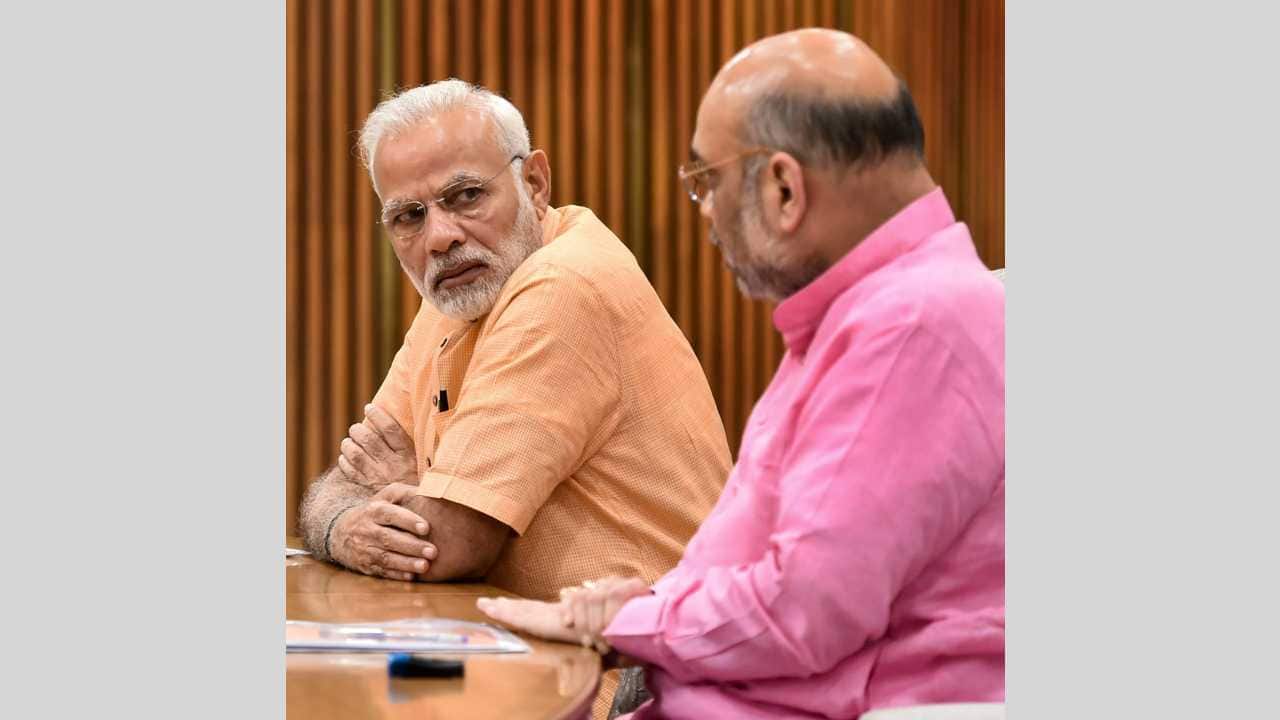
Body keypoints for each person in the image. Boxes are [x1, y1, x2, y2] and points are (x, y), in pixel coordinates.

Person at [478, 28, 1005, 719]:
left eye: (707, 182)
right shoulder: (875, 312)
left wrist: (624, 623)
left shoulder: (912, 324)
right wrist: (648, 606)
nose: (706, 215)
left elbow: (803, 610)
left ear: (785, 188)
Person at [297, 78, 733, 716]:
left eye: (466, 196)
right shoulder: (463, 288)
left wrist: (417, 488)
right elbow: (341, 483)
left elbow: (448, 543)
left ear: (534, 182)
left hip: (640, 684)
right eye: (408, 217)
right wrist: (341, 523)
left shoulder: (562, 284)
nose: (440, 237)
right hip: (522, 663)